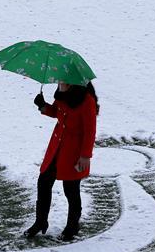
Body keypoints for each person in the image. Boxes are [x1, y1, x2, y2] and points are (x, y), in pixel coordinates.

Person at [24, 80, 99, 241]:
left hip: (73, 153)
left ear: (74, 83)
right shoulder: (63, 95)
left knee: (70, 190)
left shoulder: (87, 101)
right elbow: (57, 112)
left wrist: (85, 156)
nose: (59, 83)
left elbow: (90, 131)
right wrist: (43, 106)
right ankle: (40, 222)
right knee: (43, 182)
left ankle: (72, 225)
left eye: (63, 81)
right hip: (56, 149)